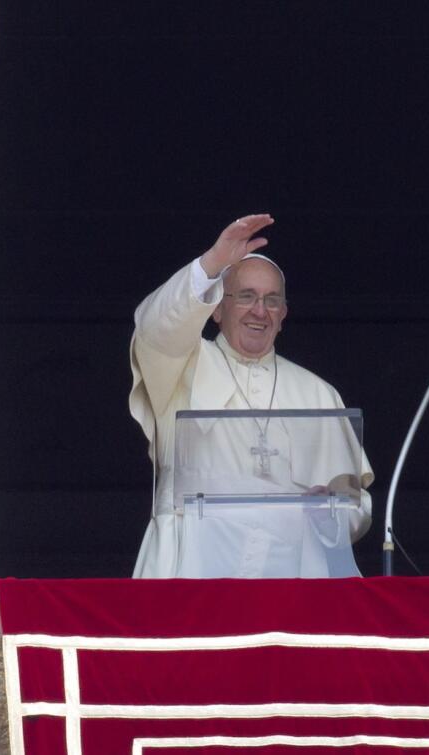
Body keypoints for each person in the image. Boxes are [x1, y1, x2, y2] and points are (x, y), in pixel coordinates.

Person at [129, 214, 373, 578]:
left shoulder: (318, 393)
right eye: (246, 297)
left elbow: (354, 505)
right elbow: (153, 329)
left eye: (272, 301)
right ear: (216, 308)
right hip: (193, 566)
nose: (260, 310)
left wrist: (331, 514)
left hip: (292, 574)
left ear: (284, 314)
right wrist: (212, 264)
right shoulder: (182, 366)